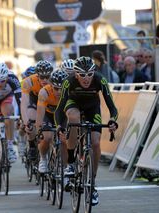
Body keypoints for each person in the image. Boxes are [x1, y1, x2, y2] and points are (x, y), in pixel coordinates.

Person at [55, 56, 118, 206]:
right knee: (74, 118)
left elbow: (112, 108)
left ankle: (92, 183)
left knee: (95, 143)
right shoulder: (68, 81)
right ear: (76, 74)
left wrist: (113, 121)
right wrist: (59, 126)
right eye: (82, 75)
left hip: (92, 107)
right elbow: (59, 110)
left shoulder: (100, 80)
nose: (86, 78)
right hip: (73, 103)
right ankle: (71, 161)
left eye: (89, 74)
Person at [36, 69, 68, 173]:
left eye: (61, 89)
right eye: (56, 88)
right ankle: (43, 158)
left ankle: (64, 168)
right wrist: (39, 130)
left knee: (64, 140)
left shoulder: (70, 92)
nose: (59, 92)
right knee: (47, 137)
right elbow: (40, 114)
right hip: (48, 116)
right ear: (51, 85)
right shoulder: (44, 92)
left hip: (62, 116)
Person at [20, 60, 53, 162]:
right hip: (34, 101)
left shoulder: (55, 80)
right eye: (41, 77)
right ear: (36, 75)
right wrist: (26, 123)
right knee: (30, 118)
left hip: (49, 103)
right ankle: (32, 146)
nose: (44, 80)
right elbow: (24, 103)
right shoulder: (28, 82)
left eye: (47, 77)